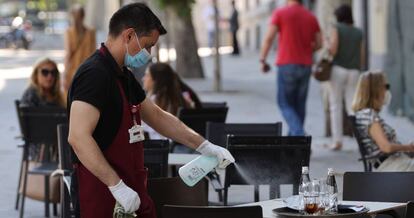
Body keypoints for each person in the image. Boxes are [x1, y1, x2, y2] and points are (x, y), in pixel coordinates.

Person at [67, 3, 235, 218]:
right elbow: (78, 137)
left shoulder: (123, 75)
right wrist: (116, 186)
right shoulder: (94, 75)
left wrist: (204, 145)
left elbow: (157, 116)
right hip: (101, 191)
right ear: (128, 36)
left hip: (131, 185)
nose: (149, 54)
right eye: (147, 45)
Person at [259, 0, 322, 136]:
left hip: (287, 63)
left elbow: (269, 38)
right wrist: (305, 49)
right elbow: (319, 43)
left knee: (284, 103)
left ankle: (299, 135)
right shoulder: (311, 16)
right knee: (299, 104)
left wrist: (263, 59)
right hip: (305, 65)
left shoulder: (281, 13)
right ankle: (295, 145)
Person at [353, 72, 414, 171]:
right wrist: (408, 147)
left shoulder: (366, 114)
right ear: (375, 89)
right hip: (393, 166)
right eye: (386, 86)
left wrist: (408, 150)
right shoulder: (368, 114)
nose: (387, 90)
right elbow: (386, 147)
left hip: (396, 162)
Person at [326, 4, 364, 150]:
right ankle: (361, 139)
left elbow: (333, 50)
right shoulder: (358, 32)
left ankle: (337, 141)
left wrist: (328, 43)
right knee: (352, 106)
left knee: (335, 105)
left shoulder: (337, 28)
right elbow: (362, 55)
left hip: (338, 70)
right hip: (354, 71)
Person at [142, 63, 197, 139]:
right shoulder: (182, 98)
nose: (143, 78)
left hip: (162, 146)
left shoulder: (153, 102)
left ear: (155, 80)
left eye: (147, 75)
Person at [63, 4, 96, 93]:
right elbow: (93, 54)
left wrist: (65, 74)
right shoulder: (91, 32)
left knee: (71, 97)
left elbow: (68, 54)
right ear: (83, 16)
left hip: (73, 71)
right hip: (87, 71)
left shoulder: (69, 32)